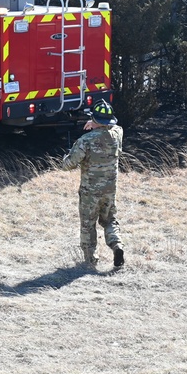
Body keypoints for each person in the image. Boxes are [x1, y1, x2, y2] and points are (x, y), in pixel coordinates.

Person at [61, 100, 125, 268]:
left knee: (88, 224)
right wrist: (98, 124)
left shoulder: (85, 141)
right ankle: (117, 245)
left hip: (90, 191)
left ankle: (91, 260)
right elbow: (116, 128)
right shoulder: (117, 134)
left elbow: (68, 165)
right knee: (109, 219)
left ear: (94, 119)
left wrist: (67, 155)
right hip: (110, 189)